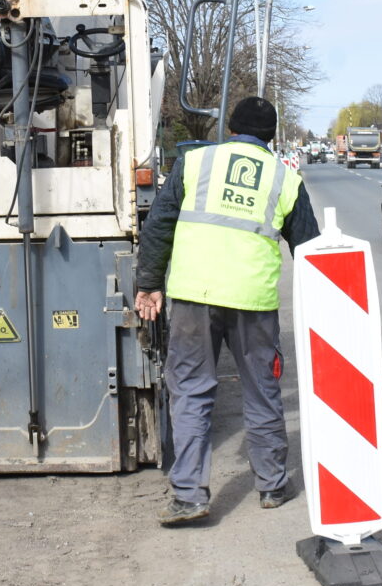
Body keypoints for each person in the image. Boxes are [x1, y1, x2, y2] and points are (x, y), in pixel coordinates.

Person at [134, 96, 321, 526]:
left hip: (194, 296)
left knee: (192, 391)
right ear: (271, 137)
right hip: (253, 302)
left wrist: (148, 284)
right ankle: (272, 485)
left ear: (231, 129)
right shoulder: (285, 179)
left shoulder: (196, 164)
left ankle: (188, 496)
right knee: (261, 390)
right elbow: (310, 250)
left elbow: (159, 224)